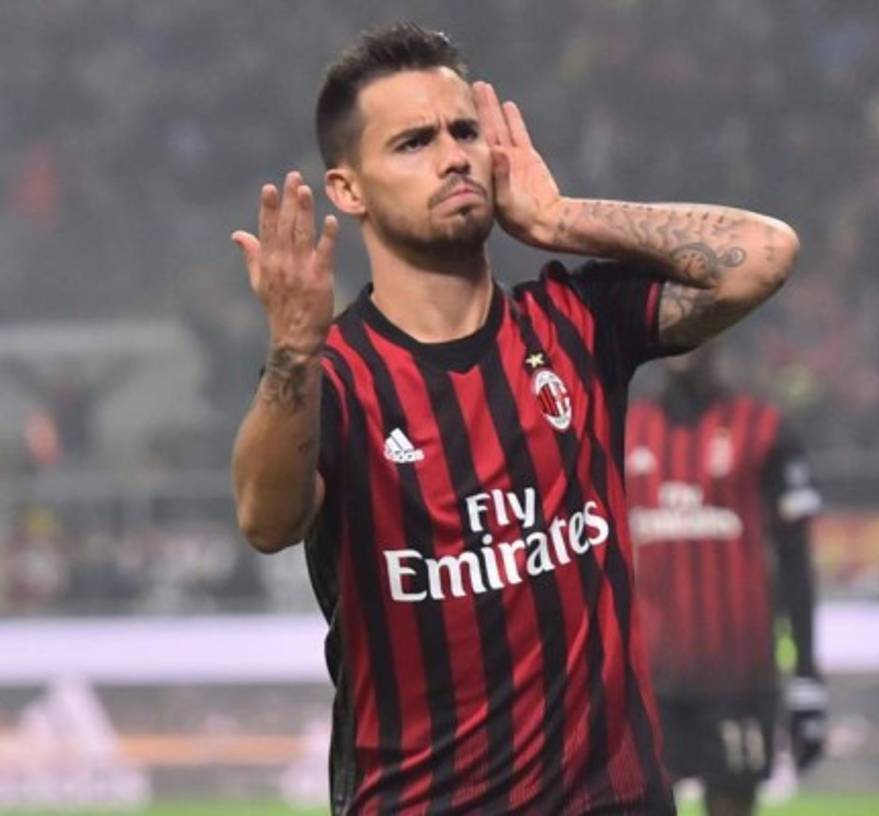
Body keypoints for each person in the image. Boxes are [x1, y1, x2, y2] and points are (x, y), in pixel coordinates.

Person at [228, 22, 799, 816]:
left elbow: (764, 255)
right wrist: (292, 351)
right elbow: (265, 520)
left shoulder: (575, 322)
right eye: (414, 142)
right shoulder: (337, 376)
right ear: (349, 190)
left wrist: (561, 219)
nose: (454, 156)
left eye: (465, 132)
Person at [625, 345, 825, 816]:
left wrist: (807, 678)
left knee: (732, 805)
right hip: (646, 680)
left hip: (739, 676)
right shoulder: (626, 429)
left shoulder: (763, 429)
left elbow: (796, 563)